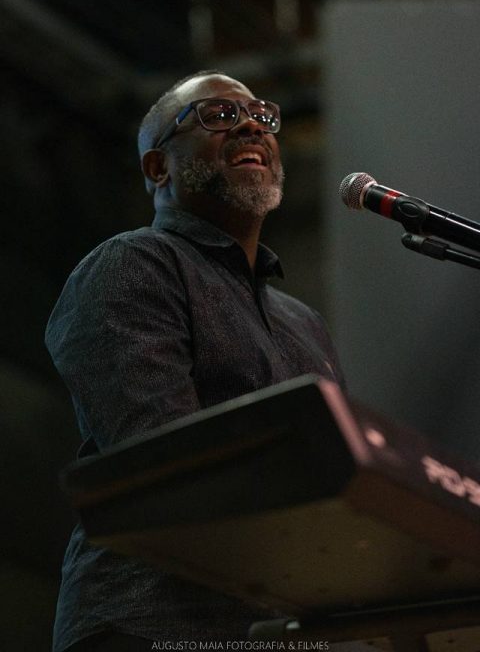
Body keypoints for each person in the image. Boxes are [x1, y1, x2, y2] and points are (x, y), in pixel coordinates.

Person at [46, 70, 345, 651]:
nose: (251, 127)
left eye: (262, 116)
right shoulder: (134, 264)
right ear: (159, 167)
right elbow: (168, 458)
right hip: (155, 621)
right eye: (219, 116)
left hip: (281, 627)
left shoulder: (304, 323)